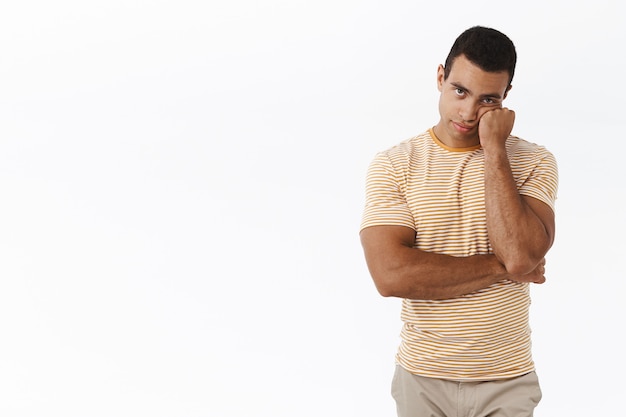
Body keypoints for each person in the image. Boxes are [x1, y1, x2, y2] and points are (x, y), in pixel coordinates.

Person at [359, 26, 558, 417]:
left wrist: (495, 149)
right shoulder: (394, 165)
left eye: (487, 99)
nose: (468, 113)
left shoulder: (534, 161)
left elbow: (521, 255)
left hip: (507, 380)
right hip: (422, 378)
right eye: (460, 91)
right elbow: (391, 275)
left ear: (505, 99)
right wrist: (504, 269)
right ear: (440, 78)